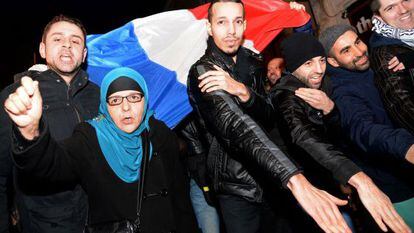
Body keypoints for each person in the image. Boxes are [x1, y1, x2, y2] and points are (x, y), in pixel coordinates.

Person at [187, 0, 358, 232]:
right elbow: (238, 127)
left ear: (245, 24)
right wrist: (293, 178)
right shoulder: (203, 71)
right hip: (237, 185)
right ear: (209, 27)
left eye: (237, 22)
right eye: (221, 22)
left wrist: (243, 91)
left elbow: (269, 116)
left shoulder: (254, 61)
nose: (231, 30)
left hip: (272, 179)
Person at [5, 67, 199, 233]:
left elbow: (180, 200)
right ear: (105, 106)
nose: (126, 107)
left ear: (145, 99)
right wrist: (30, 131)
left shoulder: (159, 133)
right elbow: (52, 165)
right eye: (115, 100)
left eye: (133, 97)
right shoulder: (90, 136)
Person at [273, 32, 411, 233]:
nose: (318, 70)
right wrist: (357, 178)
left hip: (332, 180)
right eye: (308, 64)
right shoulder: (288, 96)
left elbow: (338, 136)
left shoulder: (325, 86)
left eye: (320, 61)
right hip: (303, 190)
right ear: (293, 67)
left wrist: (330, 111)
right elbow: (304, 137)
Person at [0, 15, 100, 233]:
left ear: (83, 54)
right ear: (43, 50)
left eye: (75, 41)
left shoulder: (99, 95)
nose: (67, 44)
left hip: (101, 220)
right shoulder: (17, 97)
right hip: (45, 225)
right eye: (58, 39)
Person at [319, 24, 414, 229]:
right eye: (346, 50)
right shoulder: (342, 93)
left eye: (357, 42)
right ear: (333, 62)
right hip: (396, 186)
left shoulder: (376, 65)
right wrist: (406, 146)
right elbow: (363, 129)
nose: (359, 52)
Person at [369, 0, 414, 135]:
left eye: (405, 0)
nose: (403, 10)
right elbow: (405, 111)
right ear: (378, 17)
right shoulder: (385, 54)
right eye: (390, 8)